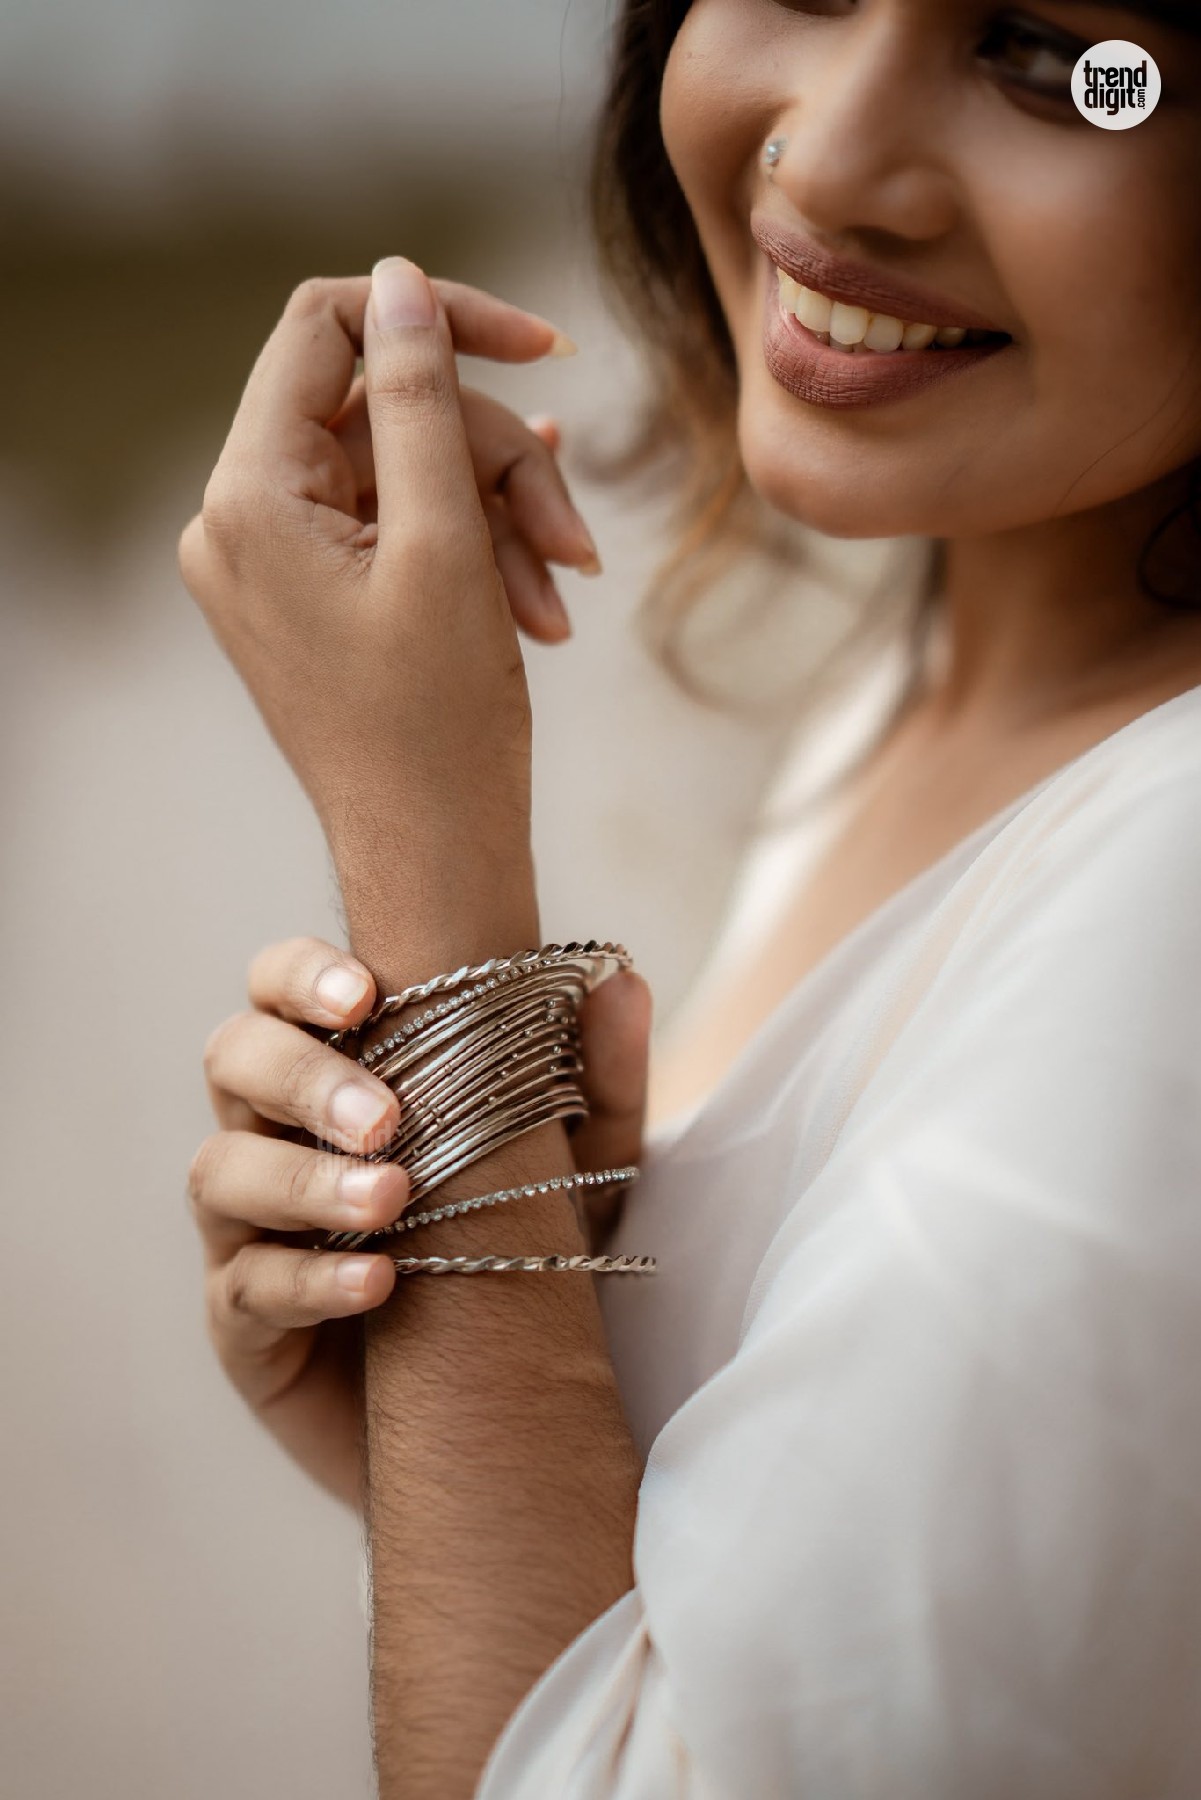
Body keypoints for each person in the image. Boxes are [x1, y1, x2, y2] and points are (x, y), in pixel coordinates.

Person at [179, 2, 1201, 1794]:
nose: (830, 159)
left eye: (1055, 59)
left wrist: (425, 851)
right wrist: (478, 1352)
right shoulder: (912, 682)